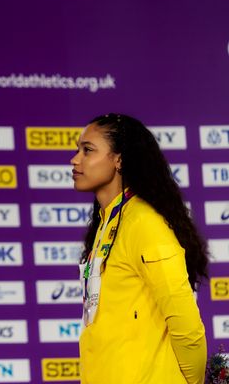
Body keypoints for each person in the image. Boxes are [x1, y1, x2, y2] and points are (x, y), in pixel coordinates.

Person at [70, 113, 208, 384]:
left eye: (88, 150)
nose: (75, 159)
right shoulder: (107, 221)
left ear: (119, 159)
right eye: (78, 150)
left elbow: (186, 325)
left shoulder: (144, 224)